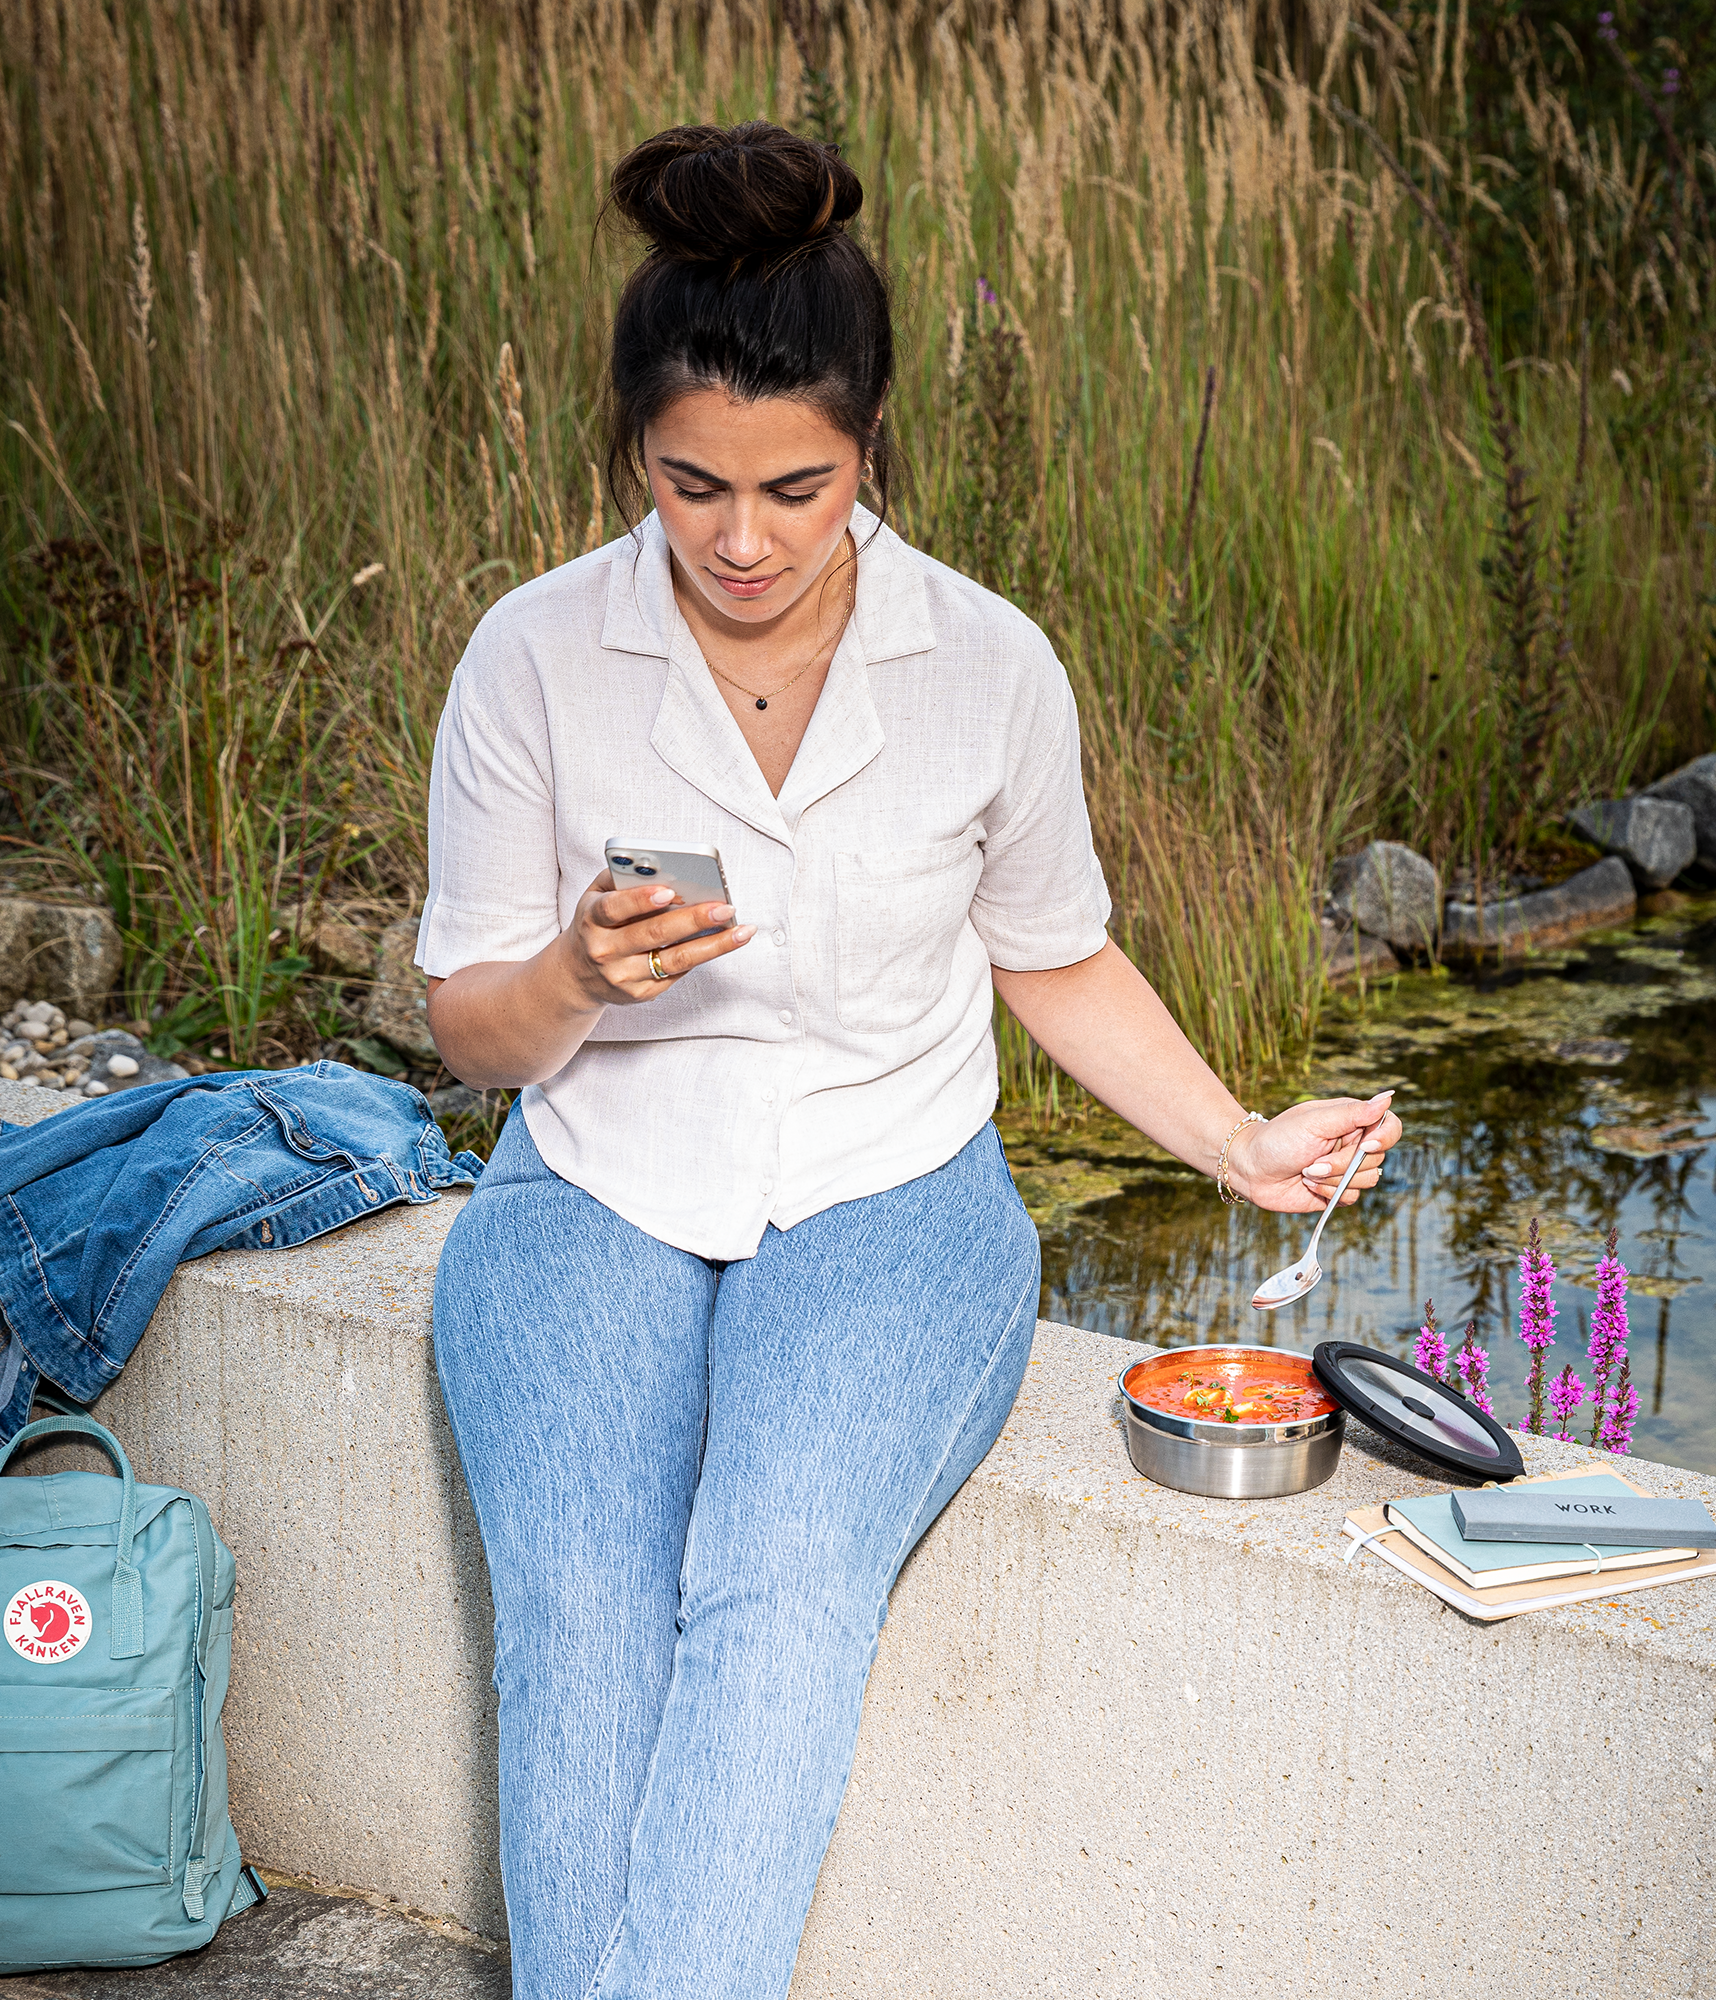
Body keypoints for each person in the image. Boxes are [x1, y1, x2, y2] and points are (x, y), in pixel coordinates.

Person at [418, 121, 1403, 2000]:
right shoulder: (531, 657)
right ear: (633, 451)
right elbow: (472, 1033)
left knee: (778, 1584)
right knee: (578, 1616)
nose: (740, 539)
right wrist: (574, 974)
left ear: (869, 449)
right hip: (600, 1174)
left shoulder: (991, 666)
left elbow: (1058, 954)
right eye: (691, 483)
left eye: (795, 488)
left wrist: (1236, 1141)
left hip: (892, 1194)